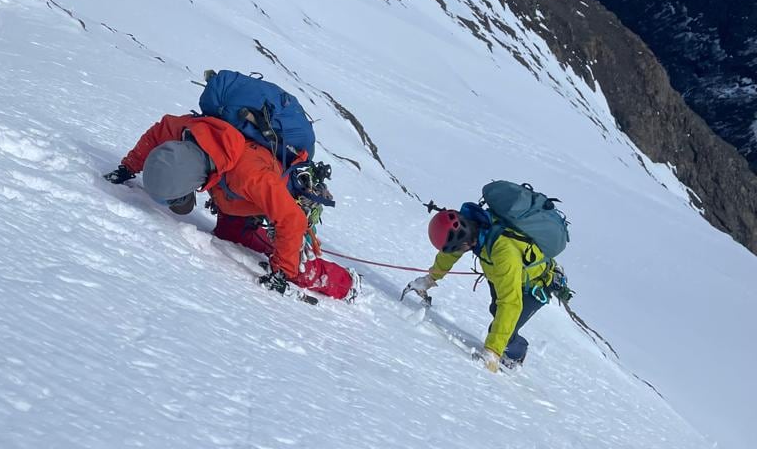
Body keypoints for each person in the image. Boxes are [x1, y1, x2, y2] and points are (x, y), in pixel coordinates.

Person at [104, 113, 359, 301]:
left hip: (275, 198)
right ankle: (268, 247)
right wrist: (128, 167)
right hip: (231, 195)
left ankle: (346, 284)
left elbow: (291, 220)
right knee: (232, 235)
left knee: (293, 267)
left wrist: (281, 273)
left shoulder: (250, 175)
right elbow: (156, 134)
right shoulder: (186, 133)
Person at [403, 202, 572, 372]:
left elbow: (511, 303)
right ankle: (503, 344)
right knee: (497, 311)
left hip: (535, 286)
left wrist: (492, 352)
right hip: (502, 274)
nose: (460, 251)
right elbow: (450, 253)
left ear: (465, 242)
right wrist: (429, 279)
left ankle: (516, 354)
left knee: (504, 327)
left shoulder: (503, 252)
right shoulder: (470, 226)